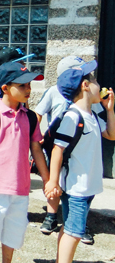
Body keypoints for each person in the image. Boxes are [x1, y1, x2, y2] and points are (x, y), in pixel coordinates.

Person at [0, 62, 48, 263]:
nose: (28, 90)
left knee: (14, 232)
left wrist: (47, 180)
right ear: (5, 88)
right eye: (22, 85)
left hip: (21, 188)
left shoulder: (30, 117)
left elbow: (36, 149)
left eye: (29, 85)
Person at [45, 61, 115, 263]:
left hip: (87, 186)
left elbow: (111, 134)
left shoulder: (92, 115)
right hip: (76, 187)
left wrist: (109, 110)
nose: (98, 83)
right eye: (93, 79)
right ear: (85, 86)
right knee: (75, 233)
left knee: (69, 228)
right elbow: (58, 150)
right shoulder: (73, 117)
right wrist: (53, 181)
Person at [35, 56, 102, 241]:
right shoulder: (53, 92)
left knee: (68, 191)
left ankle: (76, 223)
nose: (93, 79)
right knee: (56, 182)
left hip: (78, 146)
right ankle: (51, 215)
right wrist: (35, 137)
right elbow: (39, 113)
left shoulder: (89, 105)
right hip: (60, 144)